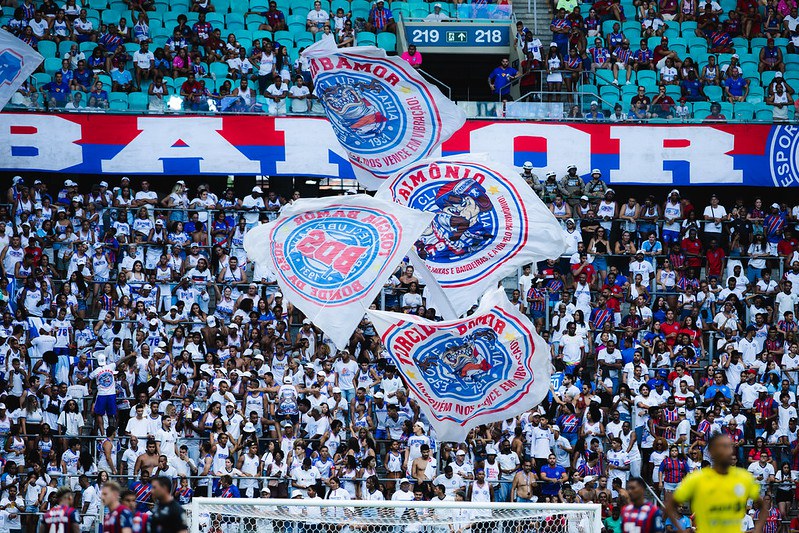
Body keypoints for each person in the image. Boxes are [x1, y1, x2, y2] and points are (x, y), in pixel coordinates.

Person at [665, 433, 766, 533]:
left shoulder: (744, 477)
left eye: (729, 447)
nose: (726, 451)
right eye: (722, 447)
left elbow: (763, 507)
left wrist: (757, 529)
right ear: (711, 451)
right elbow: (670, 506)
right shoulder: (697, 479)